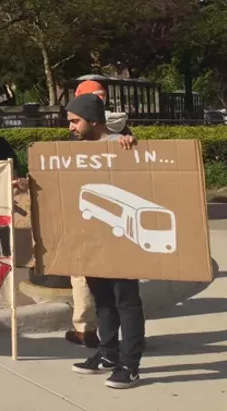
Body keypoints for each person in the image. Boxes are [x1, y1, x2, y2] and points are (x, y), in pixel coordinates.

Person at [66, 94, 145, 390]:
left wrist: (130, 144)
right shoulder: (77, 150)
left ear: (94, 120)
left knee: (126, 301)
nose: (71, 127)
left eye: (76, 121)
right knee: (103, 300)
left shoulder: (121, 145)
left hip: (122, 238)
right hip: (93, 239)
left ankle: (131, 365)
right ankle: (109, 354)